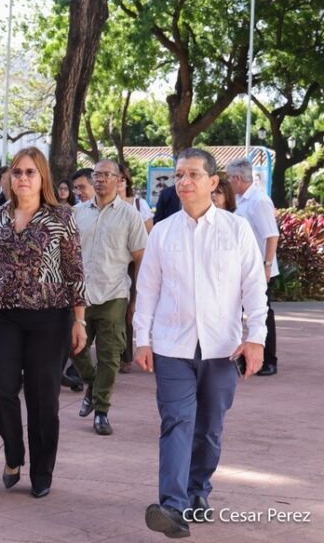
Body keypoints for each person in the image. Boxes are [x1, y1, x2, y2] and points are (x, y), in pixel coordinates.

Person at [134, 148, 267, 539]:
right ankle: (172, 507)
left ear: (213, 181)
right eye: (179, 175)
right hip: (172, 347)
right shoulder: (162, 231)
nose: (184, 182)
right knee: (176, 422)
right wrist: (142, 339)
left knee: (209, 428)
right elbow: (148, 290)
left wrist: (255, 339)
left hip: (221, 349)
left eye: (193, 174)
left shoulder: (236, 229)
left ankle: (197, 492)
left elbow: (254, 289)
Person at [0, 146, 87, 499]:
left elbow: (75, 270)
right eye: (17, 172)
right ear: (9, 179)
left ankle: (42, 471)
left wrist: (79, 320)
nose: (23, 178)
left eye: (30, 172)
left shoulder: (61, 216)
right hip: (5, 315)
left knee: (43, 398)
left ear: (42, 177)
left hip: (50, 316)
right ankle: (14, 453)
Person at [72, 159, 147, 436]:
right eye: (97, 174)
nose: (100, 179)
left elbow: (141, 258)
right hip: (79, 295)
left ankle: (101, 410)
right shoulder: (77, 213)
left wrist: (137, 299)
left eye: (106, 175)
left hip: (114, 294)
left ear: (118, 180)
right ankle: (93, 384)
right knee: (73, 347)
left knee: (110, 355)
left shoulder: (130, 216)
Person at [228, 158, 279, 376]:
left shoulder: (259, 201)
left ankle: (268, 360)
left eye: (229, 178)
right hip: (240, 267)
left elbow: (272, 235)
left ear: (237, 178)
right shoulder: (240, 200)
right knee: (235, 312)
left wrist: (266, 266)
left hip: (259, 268)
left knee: (262, 313)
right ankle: (240, 356)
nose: (228, 182)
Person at [117, 164, 153, 374]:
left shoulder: (139, 204)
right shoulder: (106, 204)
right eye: (117, 178)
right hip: (115, 261)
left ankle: (127, 356)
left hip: (136, 262)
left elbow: (150, 234)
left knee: (131, 307)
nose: (120, 182)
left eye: (123, 179)